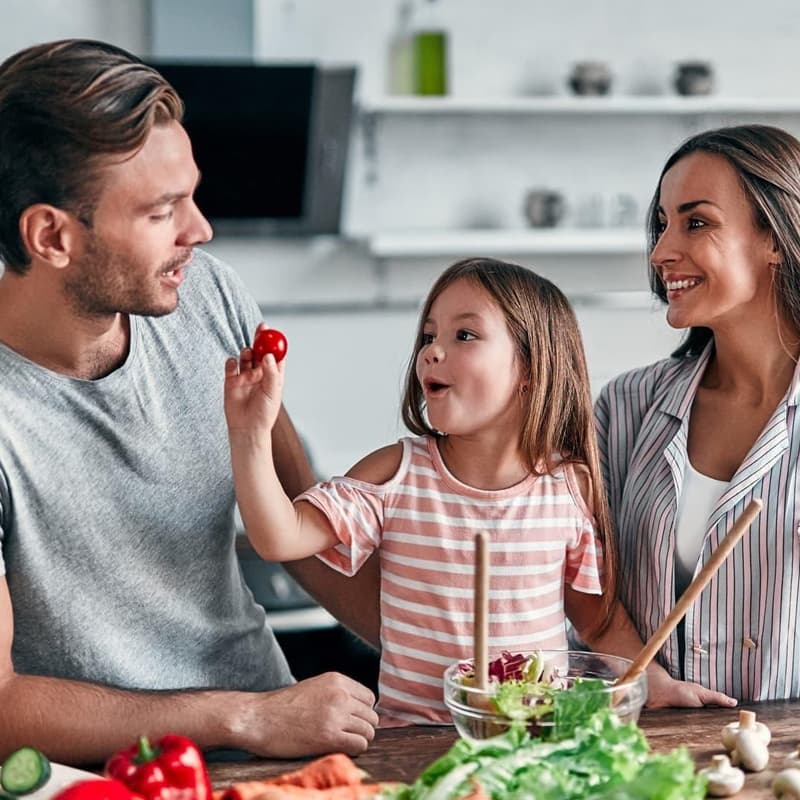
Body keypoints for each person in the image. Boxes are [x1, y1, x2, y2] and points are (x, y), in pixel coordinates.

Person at [0, 38, 380, 765]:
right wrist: (245, 717)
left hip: (281, 752)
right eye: (162, 211)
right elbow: (1, 702)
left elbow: (303, 526)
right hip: (115, 777)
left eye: (193, 195)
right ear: (50, 235)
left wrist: (465, 659)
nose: (199, 231)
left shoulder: (209, 296)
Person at [225, 256, 724, 725]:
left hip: (533, 741)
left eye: (464, 334)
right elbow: (279, 538)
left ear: (530, 369)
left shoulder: (568, 487)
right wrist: (250, 433)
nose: (432, 351)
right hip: (414, 748)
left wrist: (651, 681)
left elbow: (598, 622)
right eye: (428, 336)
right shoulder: (397, 473)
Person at [595, 123, 800, 701]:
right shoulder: (625, 408)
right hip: (648, 759)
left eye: (697, 222)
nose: (661, 251)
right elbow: (583, 582)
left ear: (777, 238)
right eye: (662, 224)